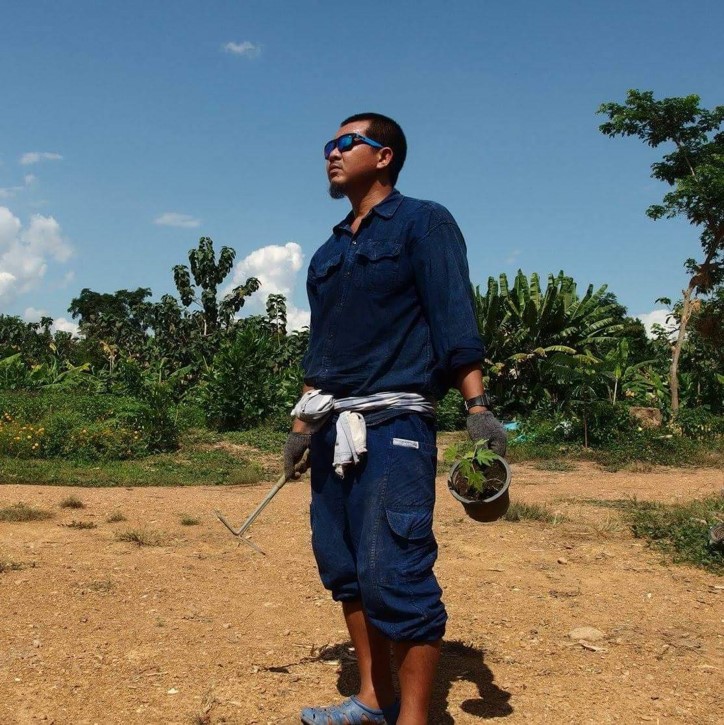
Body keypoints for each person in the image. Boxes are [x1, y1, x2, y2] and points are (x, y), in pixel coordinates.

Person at [283, 113, 506, 725]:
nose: (331, 153)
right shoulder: (329, 252)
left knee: (394, 570)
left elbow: (453, 317)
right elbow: (321, 351)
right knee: (346, 568)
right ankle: (372, 700)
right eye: (328, 144)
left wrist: (477, 408)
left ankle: (413, 719)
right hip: (331, 427)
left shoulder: (424, 223)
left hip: (395, 426)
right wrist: (301, 428)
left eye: (346, 143)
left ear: (383, 157)